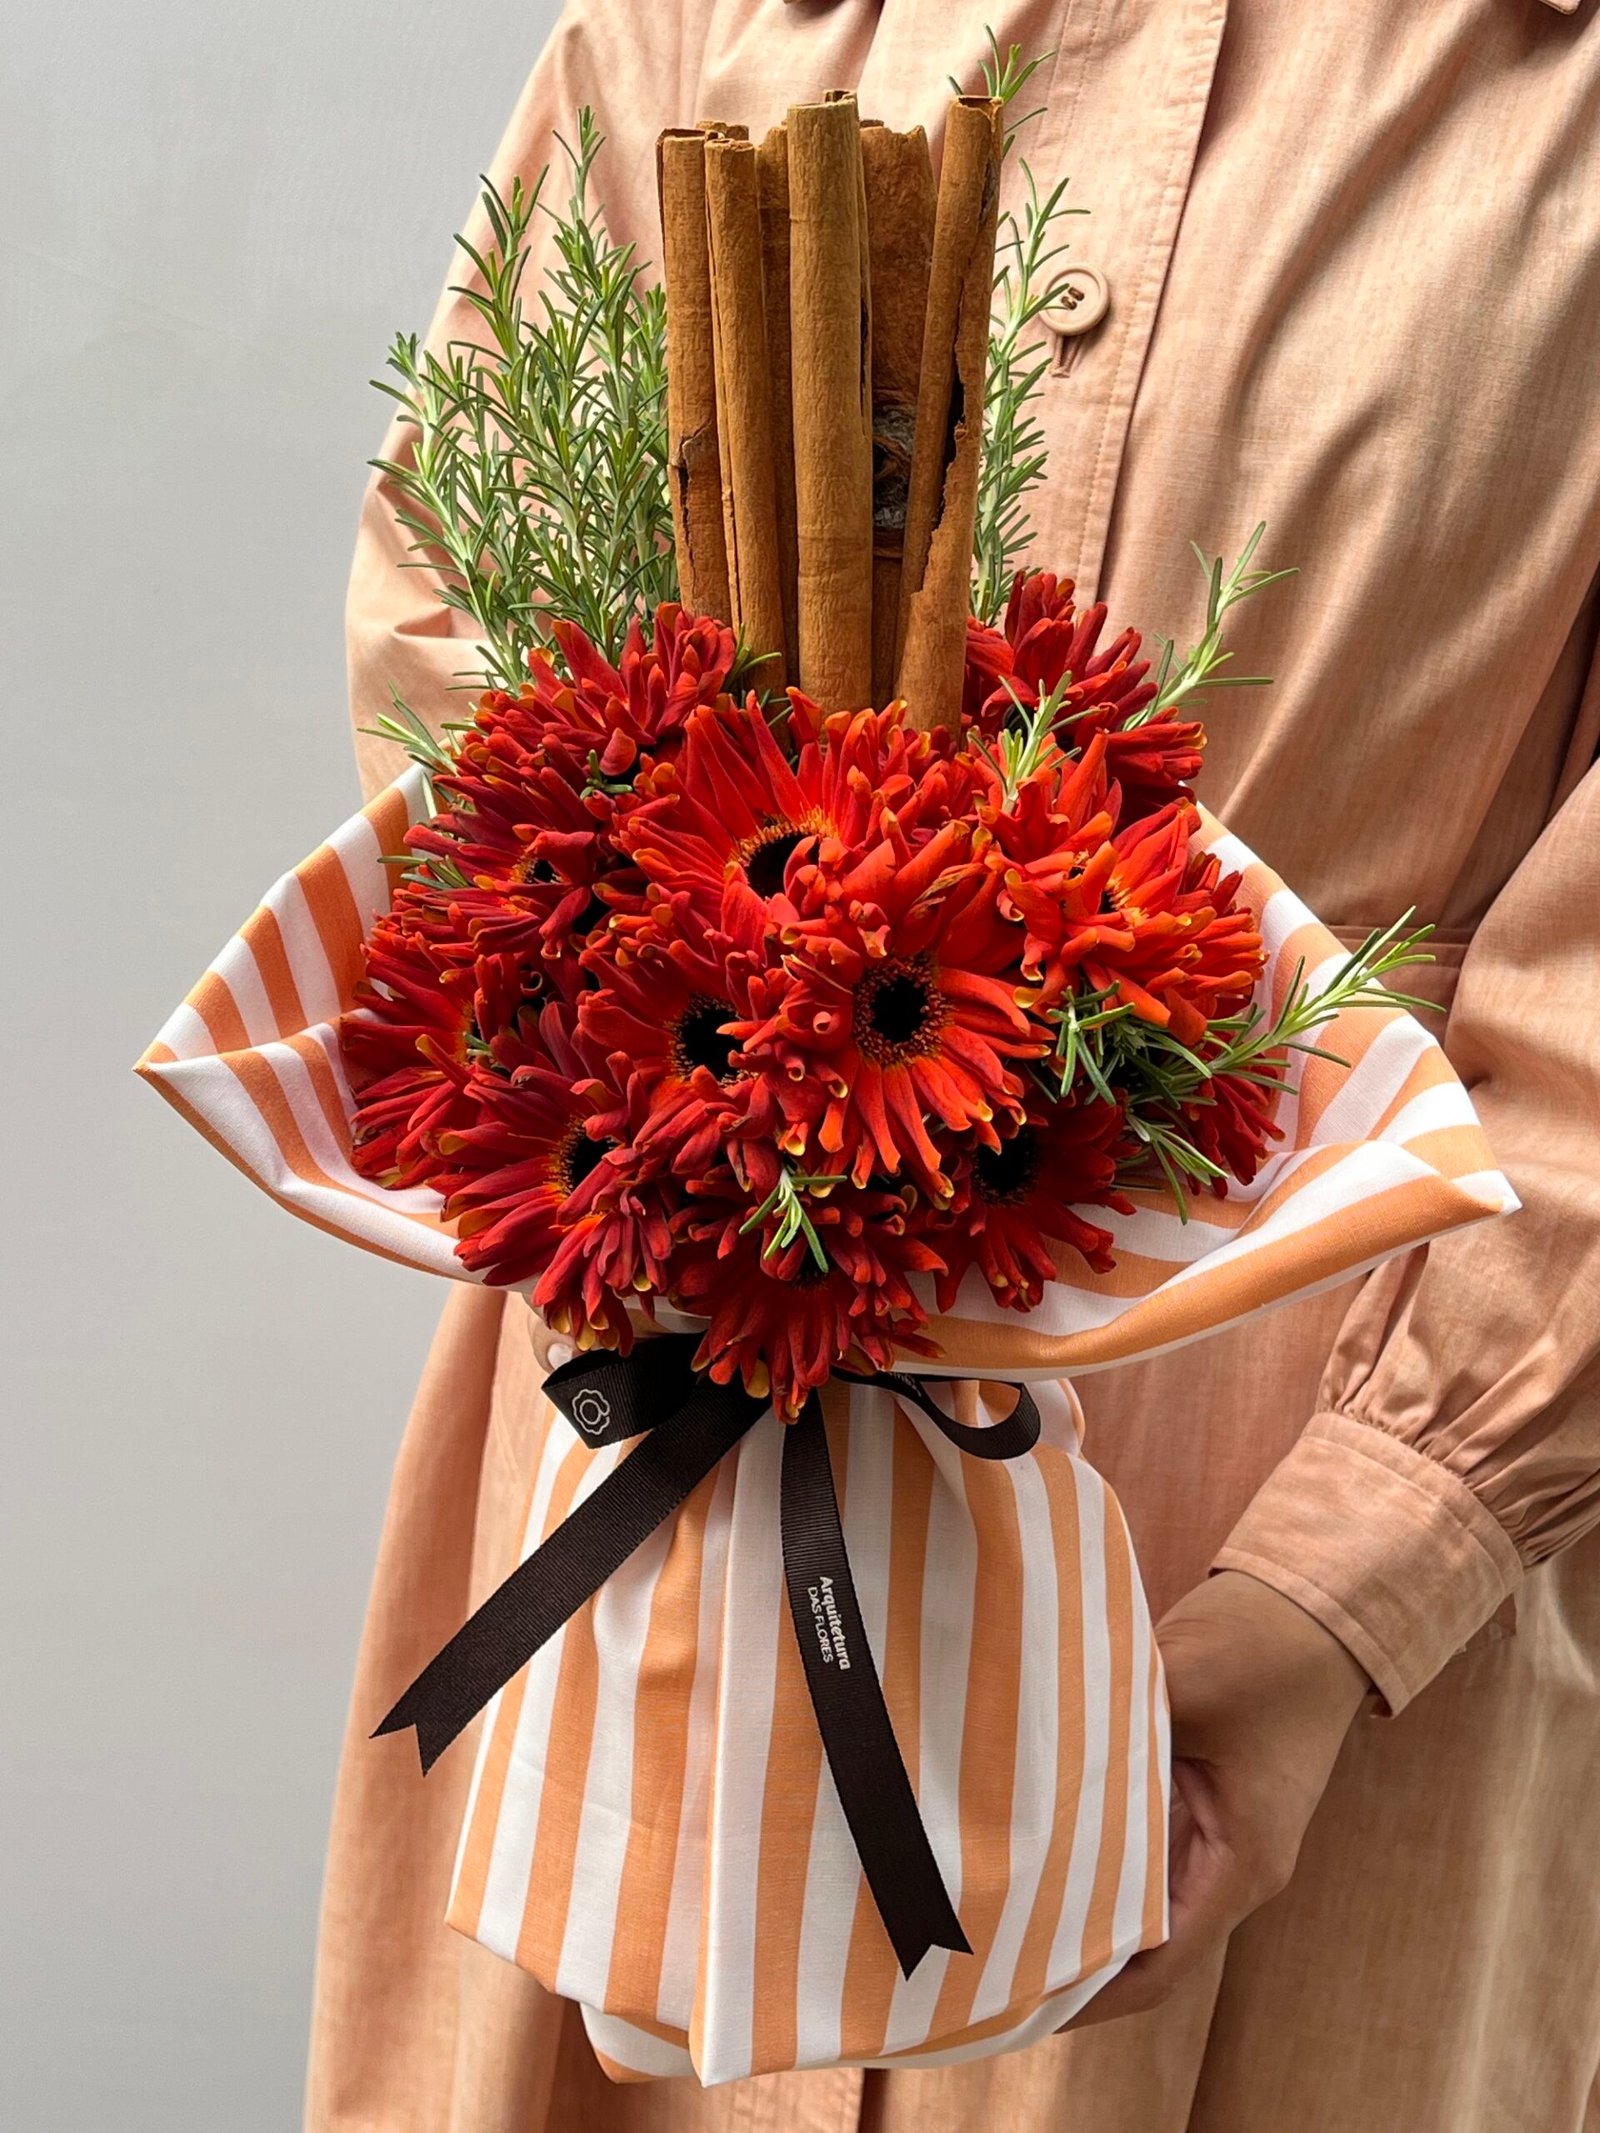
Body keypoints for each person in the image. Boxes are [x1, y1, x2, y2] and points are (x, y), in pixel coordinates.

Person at [310, 3, 1600, 2128]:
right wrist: (687, 1121)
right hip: (662, 1437)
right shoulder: (707, 19)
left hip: (1311, 1547)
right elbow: (467, 620)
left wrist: (1343, 1579)